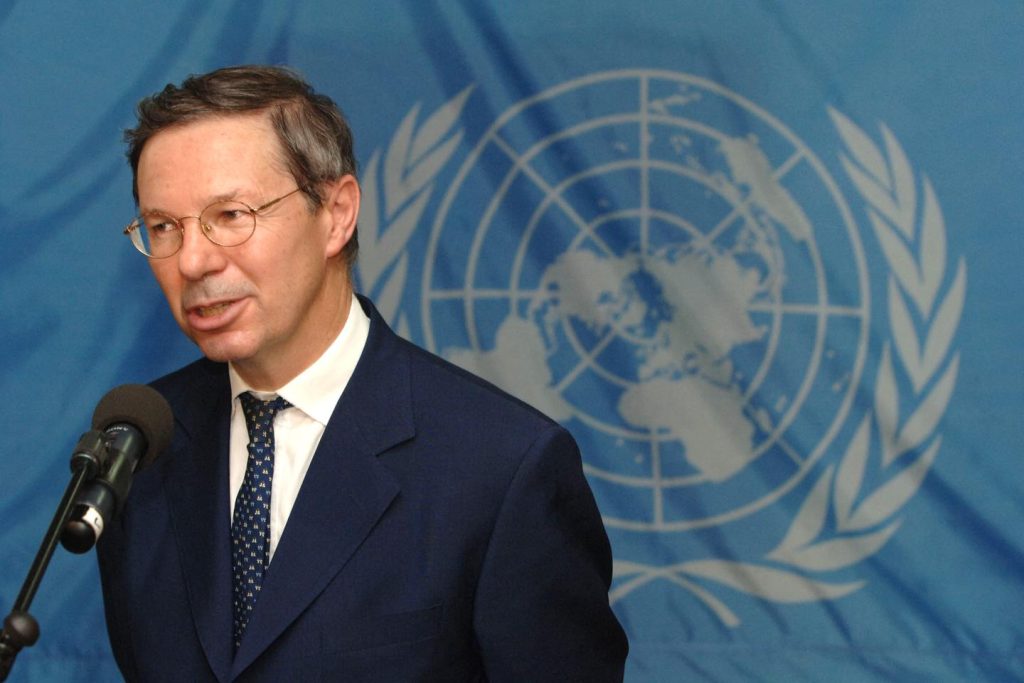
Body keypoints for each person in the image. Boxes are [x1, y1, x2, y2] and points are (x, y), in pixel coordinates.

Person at [96, 65, 628, 681]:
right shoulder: (140, 444)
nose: (192, 260)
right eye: (164, 227)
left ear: (337, 212)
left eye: (231, 215)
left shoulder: (503, 467)